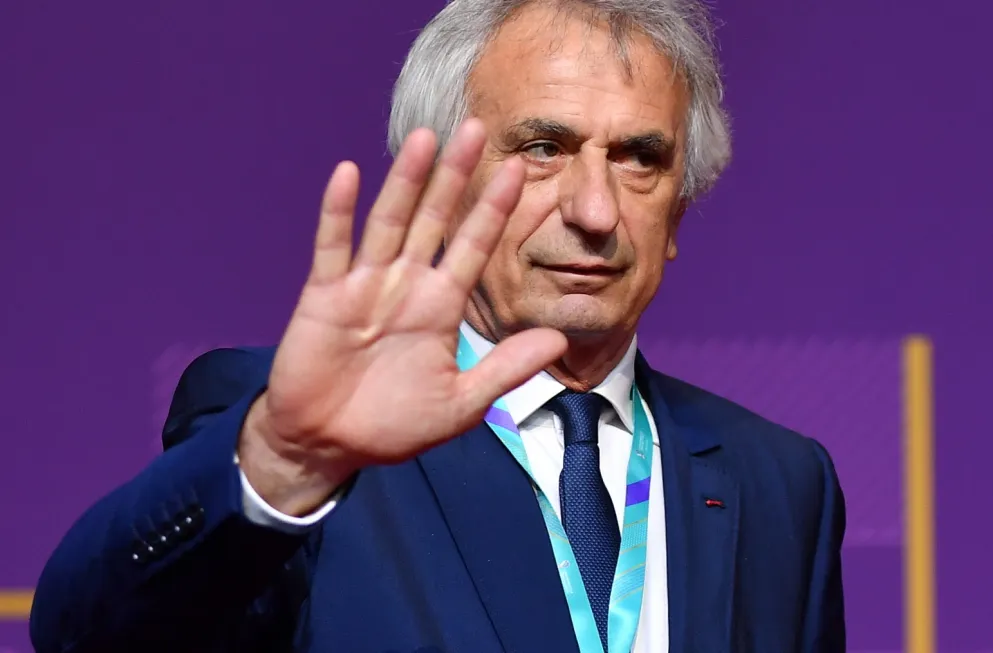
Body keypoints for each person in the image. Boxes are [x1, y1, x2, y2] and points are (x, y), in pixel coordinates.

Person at [29, 0, 846, 651]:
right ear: (442, 186)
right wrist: (281, 461)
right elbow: (84, 632)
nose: (595, 210)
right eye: (543, 146)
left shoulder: (778, 479)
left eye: (640, 158)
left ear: (678, 208)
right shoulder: (300, 433)